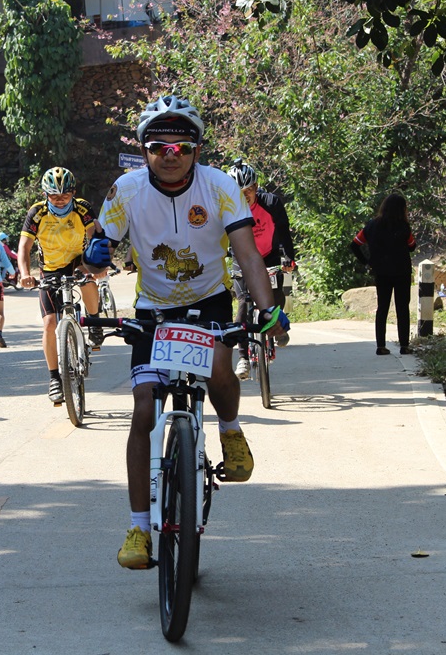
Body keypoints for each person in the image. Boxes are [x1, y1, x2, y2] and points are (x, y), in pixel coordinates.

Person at [83, 95, 289, 569]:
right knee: (143, 408)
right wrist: (93, 260)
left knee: (220, 368)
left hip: (209, 301)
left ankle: (231, 430)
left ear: (197, 149)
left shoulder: (219, 187)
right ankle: (139, 527)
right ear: (144, 150)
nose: (170, 156)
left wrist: (268, 309)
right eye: (159, 147)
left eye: (182, 148)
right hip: (154, 310)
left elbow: (247, 254)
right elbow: (99, 253)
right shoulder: (126, 190)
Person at [17, 167, 105, 404]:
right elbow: (24, 247)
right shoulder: (37, 213)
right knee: (49, 323)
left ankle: (94, 322)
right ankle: (55, 378)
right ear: (45, 194)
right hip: (50, 268)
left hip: (78, 260)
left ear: (73, 193)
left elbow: (93, 237)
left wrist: (95, 266)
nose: (59, 199)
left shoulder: (82, 208)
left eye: (65, 195)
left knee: (87, 279)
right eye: (54, 195)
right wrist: (24, 274)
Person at [225, 158, 297, 379]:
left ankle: (277, 327)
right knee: (243, 303)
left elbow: (284, 231)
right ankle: (243, 357)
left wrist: (288, 258)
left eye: (247, 191)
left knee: (275, 297)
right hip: (241, 257)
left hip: (269, 255)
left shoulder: (271, 203)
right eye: (237, 193)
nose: (243, 196)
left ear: (255, 187)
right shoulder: (227, 208)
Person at [350, 192, 417, 356]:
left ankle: (380, 345)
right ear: (402, 209)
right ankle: (404, 345)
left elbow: (355, 244)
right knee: (402, 308)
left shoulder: (372, 225)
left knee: (382, 308)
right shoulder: (403, 226)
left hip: (381, 271)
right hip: (401, 271)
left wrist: (366, 261)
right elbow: (412, 246)